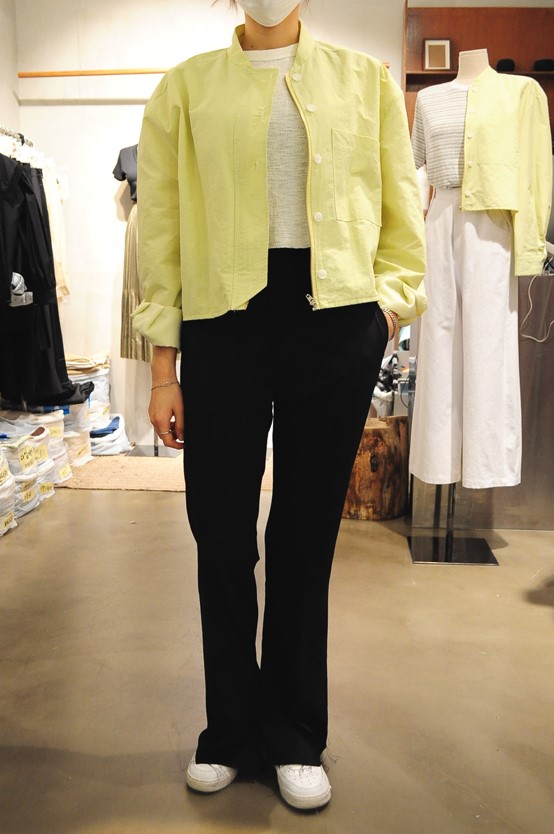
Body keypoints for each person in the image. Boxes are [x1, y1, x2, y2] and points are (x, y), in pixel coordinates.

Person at [132, 0, 426, 811]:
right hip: (222, 322)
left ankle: (295, 732)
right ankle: (229, 730)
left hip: (334, 319)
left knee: (303, 536)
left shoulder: (364, 81)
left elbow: (400, 209)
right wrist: (164, 369)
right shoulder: (185, 88)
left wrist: (384, 314)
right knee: (220, 532)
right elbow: (161, 231)